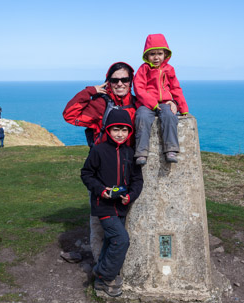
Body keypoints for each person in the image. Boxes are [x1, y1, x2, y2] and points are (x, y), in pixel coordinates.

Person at [63, 62, 137, 262]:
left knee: (125, 221)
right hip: (102, 172)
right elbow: (69, 115)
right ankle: (100, 266)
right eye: (115, 80)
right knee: (99, 224)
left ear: (131, 81)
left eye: (125, 79)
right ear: (108, 82)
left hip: (128, 171)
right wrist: (90, 91)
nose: (120, 83)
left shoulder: (138, 105)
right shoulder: (100, 104)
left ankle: (116, 267)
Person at [81, 109, 143, 297]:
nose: (120, 134)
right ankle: (104, 274)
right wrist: (101, 190)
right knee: (121, 240)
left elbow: (137, 180)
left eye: (124, 130)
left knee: (111, 241)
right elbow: (86, 174)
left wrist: (130, 195)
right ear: (108, 130)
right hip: (104, 206)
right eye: (116, 129)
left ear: (129, 132)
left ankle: (101, 281)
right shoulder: (98, 151)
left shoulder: (130, 153)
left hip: (121, 207)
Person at [134, 33, 189, 165]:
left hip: (165, 102)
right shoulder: (143, 69)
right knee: (142, 117)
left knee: (170, 116)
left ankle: (171, 149)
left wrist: (183, 107)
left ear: (165, 54)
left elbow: (176, 88)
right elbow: (138, 88)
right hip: (146, 104)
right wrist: (152, 103)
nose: (156, 57)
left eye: (159, 53)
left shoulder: (169, 69)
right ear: (146, 56)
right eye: (152, 54)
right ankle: (141, 152)